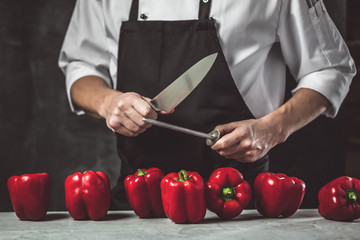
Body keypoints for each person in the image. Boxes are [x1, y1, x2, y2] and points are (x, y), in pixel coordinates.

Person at [59, 0, 356, 209]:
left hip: (242, 200)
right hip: (139, 198)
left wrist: (272, 129)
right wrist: (109, 102)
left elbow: (330, 69)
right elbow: (80, 65)